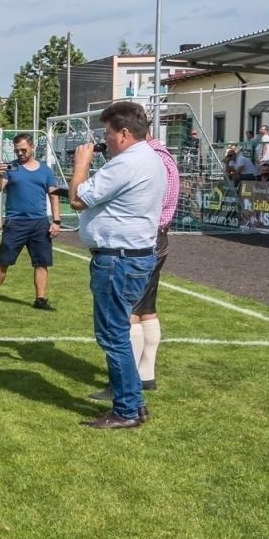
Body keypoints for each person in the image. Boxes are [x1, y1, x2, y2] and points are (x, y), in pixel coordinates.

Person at [68, 101, 167, 429]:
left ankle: (125, 410)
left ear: (124, 133)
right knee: (119, 332)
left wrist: (81, 164)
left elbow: (78, 197)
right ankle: (134, 403)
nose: (104, 139)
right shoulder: (150, 159)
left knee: (113, 335)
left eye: (108, 133)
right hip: (133, 257)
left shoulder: (126, 164)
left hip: (118, 260)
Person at [90, 134, 178, 409]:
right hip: (156, 237)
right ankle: (145, 373)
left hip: (140, 241)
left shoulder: (146, 160)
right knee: (146, 306)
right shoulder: (162, 156)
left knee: (127, 313)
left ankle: (127, 383)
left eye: (110, 134)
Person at [0, 134, 60, 310]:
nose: (20, 153)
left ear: (32, 147)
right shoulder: (11, 168)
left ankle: (41, 299)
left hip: (39, 223)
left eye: (23, 149)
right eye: (17, 150)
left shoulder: (45, 170)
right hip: (15, 223)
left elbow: (54, 196)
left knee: (41, 262)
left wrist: (56, 221)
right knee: (3, 261)